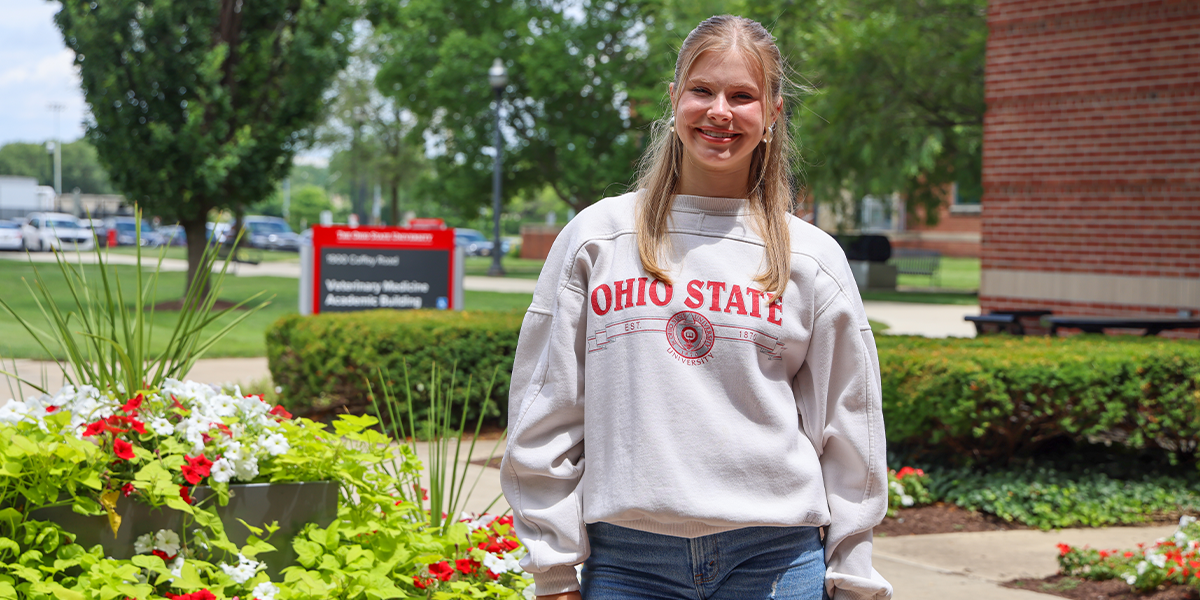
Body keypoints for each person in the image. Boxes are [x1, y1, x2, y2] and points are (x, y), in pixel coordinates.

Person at [500, 14, 892, 600]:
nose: (720, 112)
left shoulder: (812, 257)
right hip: (629, 561)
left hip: (776, 560)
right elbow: (546, 410)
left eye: (742, 96)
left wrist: (853, 575)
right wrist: (553, 570)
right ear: (674, 96)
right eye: (702, 90)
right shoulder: (598, 238)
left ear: (772, 114)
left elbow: (850, 427)